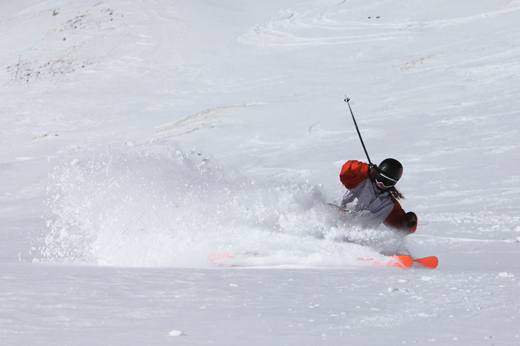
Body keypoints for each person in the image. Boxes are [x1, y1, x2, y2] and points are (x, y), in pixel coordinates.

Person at [334, 158, 417, 233]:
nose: (382, 184)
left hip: (358, 236)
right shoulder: (360, 181)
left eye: (388, 182)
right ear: (377, 173)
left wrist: (410, 222)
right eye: (380, 178)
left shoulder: (389, 205)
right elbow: (347, 169)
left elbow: (401, 228)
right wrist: (366, 169)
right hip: (335, 221)